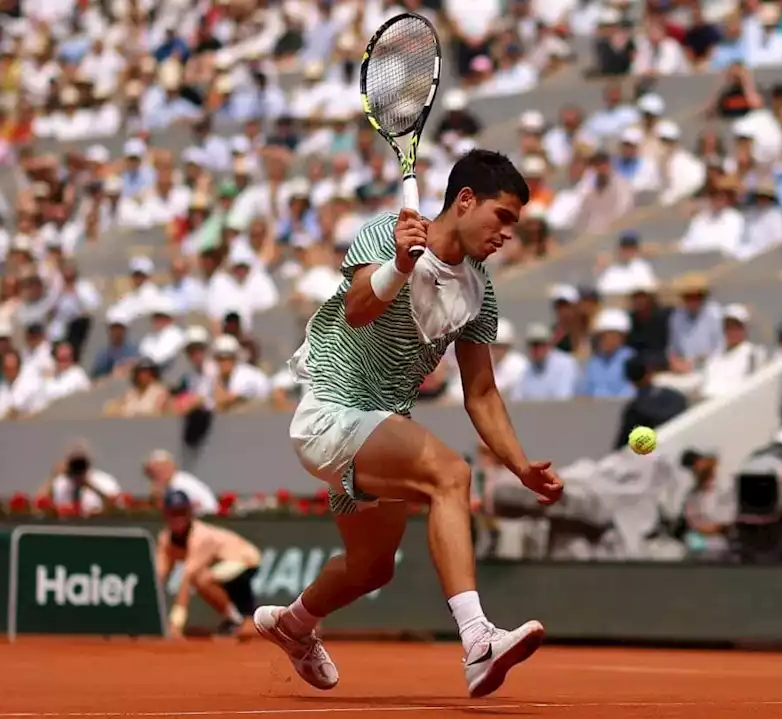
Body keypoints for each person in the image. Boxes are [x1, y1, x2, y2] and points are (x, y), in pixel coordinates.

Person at [258, 150, 563, 698]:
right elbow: (355, 311)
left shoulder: (479, 291)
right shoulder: (387, 232)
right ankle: (477, 641)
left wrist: (519, 465)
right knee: (450, 475)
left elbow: (482, 393)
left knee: (370, 568)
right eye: (503, 216)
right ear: (465, 200)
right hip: (330, 410)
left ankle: (295, 626)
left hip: (378, 427)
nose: (507, 234)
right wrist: (400, 264)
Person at [156, 490, 261, 639]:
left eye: (182, 512)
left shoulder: (201, 537)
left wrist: (175, 624)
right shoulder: (165, 538)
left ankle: (235, 621)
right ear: (165, 515)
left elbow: (187, 577)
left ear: (190, 513)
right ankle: (238, 621)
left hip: (245, 559)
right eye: (173, 513)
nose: (178, 518)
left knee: (201, 579)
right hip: (223, 564)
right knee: (201, 578)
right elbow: (158, 575)